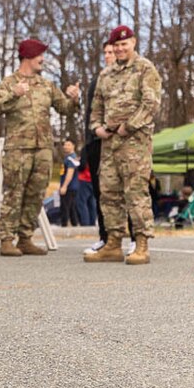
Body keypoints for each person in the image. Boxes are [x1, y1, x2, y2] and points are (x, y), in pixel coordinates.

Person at [0, 39, 80, 256]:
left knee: (36, 194)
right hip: (18, 149)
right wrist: (15, 93)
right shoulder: (9, 83)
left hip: (43, 149)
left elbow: (65, 109)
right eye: (40, 55)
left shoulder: (46, 85)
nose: (43, 59)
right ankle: (6, 239)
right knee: (14, 193)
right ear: (29, 56)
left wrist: (74, 99)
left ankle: (25, 238)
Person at [84, 25, 162, 264]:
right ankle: (113, 243)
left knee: (136, 194)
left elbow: (151, 104)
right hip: (109, 145)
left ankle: (141, 244)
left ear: (133, 43)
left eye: (123, 44)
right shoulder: (105, 75)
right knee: (108, 194)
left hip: (135, 144)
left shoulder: (144, 69)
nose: (119, 49)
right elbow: (96, 107)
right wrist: (96, 128)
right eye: (116, 45)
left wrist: (128, 126)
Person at [81, 40, 134, 254]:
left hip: (122, 142)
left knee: (128, 191)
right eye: (106, 52)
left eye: (112, 52)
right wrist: (91, 139)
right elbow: (91, 115)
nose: (108, 56)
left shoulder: (130, 79)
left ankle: (134, 237)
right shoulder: (98, 80)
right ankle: (106, 237)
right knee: (102, 193)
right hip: (97, 143)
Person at [58, 139, 81, 227]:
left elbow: (70, 173)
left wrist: (64, 186)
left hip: (70, 187)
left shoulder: (71, 158)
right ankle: (74, 224)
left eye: (68, 145)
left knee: (65, 207)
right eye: (65, 145)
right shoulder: (70, 158)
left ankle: (64, 225)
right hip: (73, 186)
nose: (65, 147)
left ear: (73, 146)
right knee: (72, 207)